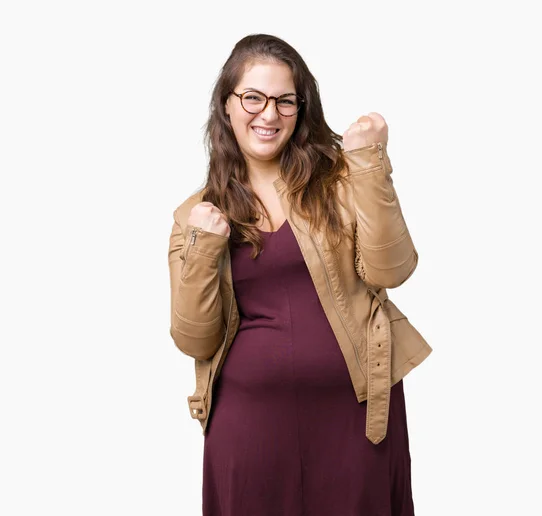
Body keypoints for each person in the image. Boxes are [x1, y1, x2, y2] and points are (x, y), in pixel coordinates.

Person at [168, 33, 432, 516]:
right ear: (226, 105)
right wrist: (204, 244)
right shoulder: (195, 215)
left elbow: (392, 268)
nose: (268, 114)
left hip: (354, 420)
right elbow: (194, 339)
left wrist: (368, 164)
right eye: (253, 97)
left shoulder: (341, 181)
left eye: (284, 101)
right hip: (248, 427)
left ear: (301, 107)